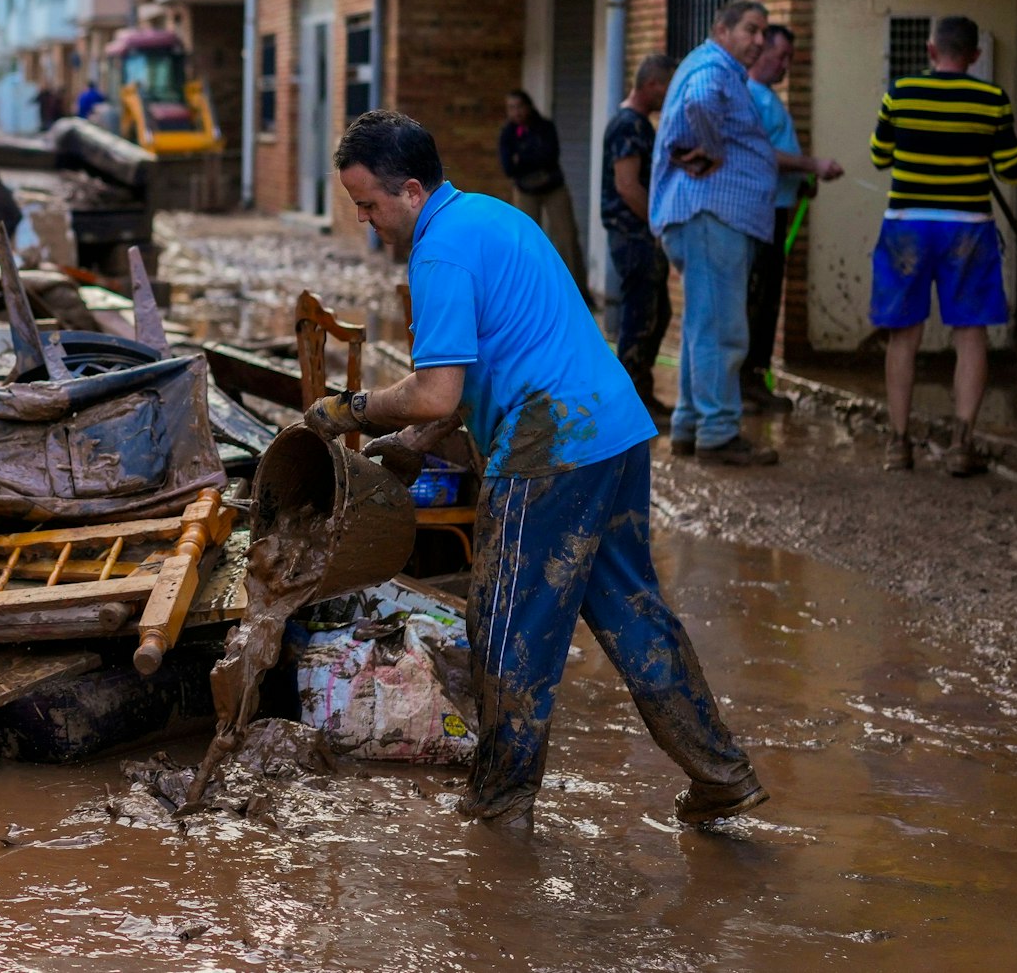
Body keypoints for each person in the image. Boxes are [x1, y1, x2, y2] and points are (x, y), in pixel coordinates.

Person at [306, 109, 766, 829]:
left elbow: (436, 388)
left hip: (548, 448)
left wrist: (353, 408)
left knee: (506, 630)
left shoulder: (439, 255)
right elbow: (487, 366)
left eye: (369, 205)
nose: (368, 223)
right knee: (632, 610)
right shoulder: (492, 218)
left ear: (413, 191)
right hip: (613, 429)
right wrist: (420, 441)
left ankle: (500, 803)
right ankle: (722, 774)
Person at [652, 0, 821, 466]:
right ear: (722, 30)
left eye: (764, 32)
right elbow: (701, 101)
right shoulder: (715, 67)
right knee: (723, 330)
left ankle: (691, 425)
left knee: (703, 328)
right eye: (751, 29)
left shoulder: (714, 65)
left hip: (709, 219)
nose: (759, 40)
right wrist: (711, 148)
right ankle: (719, 432)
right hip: (712, 217)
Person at [868, 15, 1017, 475]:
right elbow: (1012, 170)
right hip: (968, 229)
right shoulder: (991, 99)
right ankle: (962, 445)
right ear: (975, 56)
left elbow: (880, 156)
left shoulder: (899, 93)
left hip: (906, 227)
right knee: (970, 334)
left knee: (904, 336)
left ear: (931, 49)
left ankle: (898, 444)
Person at [745, 25, 845, 412]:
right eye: (780, 56)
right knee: (758, 299)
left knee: (769, 298)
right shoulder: (751, 96)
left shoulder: (767, 97)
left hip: (778, 207)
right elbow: (762, 153)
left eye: (790, 59)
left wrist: (801, 180)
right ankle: (747, 383)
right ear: (761, 52)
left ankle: (754, 379)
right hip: (760, 214)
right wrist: (811, 165)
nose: (785, 66)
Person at [601, 54, 677, 419]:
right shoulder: (628, 126)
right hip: (634, 237)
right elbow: (627, 186)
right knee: (641, 317)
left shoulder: (638, 125)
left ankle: (639, 396)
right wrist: (657, 223)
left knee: (656, 313)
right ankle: (630, 405)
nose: (670, 96)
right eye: (668, 87)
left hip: (638, 235)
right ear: (652, 85)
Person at [499, 90, 588, 300]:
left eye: (519, 106)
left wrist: (523, 158)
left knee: (567, 238)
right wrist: (528, 159)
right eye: (511, 108)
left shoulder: (544, 126)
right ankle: (529, 293)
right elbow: (508, 167)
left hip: (553, 188)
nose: (516, 112)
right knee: (524, 240)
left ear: (528, 106)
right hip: (525, 190)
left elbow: (549, 156)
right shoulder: (508, 133)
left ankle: (578, 293)